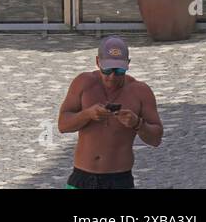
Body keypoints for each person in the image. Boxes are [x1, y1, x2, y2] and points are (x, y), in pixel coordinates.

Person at [57, 36, 163, 189]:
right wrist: (87, 114)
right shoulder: (83, 83)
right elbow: (62, 125)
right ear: (97, 62)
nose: (112, 76)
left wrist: (137, 124)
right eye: (107, 70)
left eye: (119, 71)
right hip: (82, 177)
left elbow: (156, 139)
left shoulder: (140, 92)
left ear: (128, 65)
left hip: (119, 180)